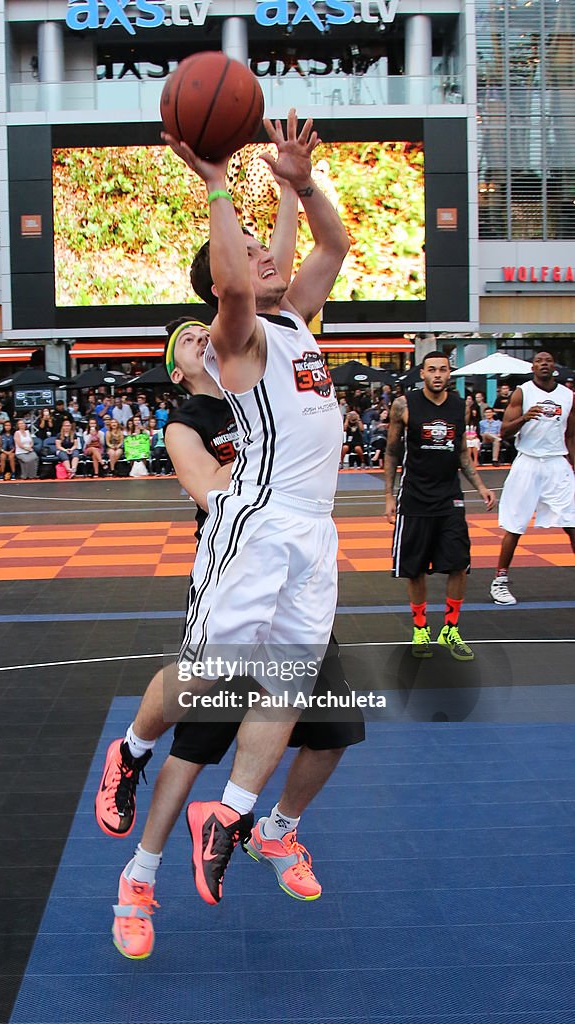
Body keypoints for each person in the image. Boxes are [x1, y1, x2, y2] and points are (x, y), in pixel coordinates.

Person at [103, 312, 362, 964]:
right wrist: (274, 467)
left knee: (334, 730)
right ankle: (137, 880)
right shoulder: (188, 425)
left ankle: (272, 830)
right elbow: (216, 492)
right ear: (179, 369)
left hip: (294, 580)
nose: (202, 341)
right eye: (188, 342)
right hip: (239, 579)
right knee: (190, 753)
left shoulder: (267, 387)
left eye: (206, 333)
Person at [149, 108, 350, 913]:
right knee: (211, 682)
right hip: (258, 521)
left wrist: (299, 184)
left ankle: (232, 818)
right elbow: (235, 280)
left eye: (276, 254)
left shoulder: (296, 318)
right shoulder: (240, 338)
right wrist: (219, 184)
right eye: (261, 254)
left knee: (289, 685)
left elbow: (330, 247)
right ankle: (134, 748)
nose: (275, 258)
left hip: (312, 528)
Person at [385, 351, 496, 661]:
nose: (437, 374)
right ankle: (421, 628)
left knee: (459, 563)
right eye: (431, 369)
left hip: (450, 497)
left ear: (450, 374)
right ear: (422, 373)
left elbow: (461, 452)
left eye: (443, 370)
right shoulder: (404, 404)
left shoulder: (460, 405)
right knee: (415, 567)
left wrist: (481, 486)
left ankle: (450, 628)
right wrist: (389, 497)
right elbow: (392, 452)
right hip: (414, 497)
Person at [490, 350, 575, 605]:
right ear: (533, 367)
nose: (544, 364)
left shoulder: (568, 396)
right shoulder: (522, 392)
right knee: (514, 526)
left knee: (572, 523)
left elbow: (571, 435)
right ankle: (500, 581)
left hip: (557, 463)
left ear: (554, 366)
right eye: (539, 361)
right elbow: (504, 431)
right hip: (527, 461)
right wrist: (525, 417)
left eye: (548, 360)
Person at [464, 396, 481, 466]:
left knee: (474, 442)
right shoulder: (462, 421)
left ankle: (475, 460)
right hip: (466, 437)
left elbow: (478, 431)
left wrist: (474, 436)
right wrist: (467, 437)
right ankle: (469, 460)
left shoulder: (475, 421)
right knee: (468, 443)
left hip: (474, 437)